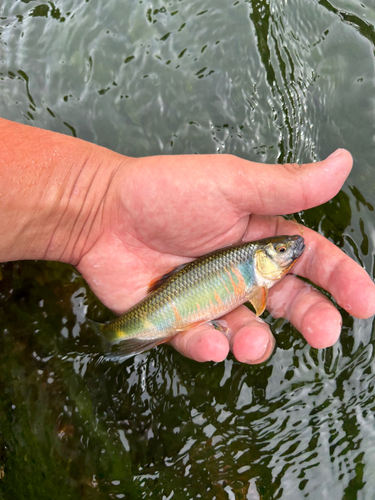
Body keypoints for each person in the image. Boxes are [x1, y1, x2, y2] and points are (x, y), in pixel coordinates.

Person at [1, 117, 374, 363]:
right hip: (171, 305)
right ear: (260, 258)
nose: (287, 251)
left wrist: (99, 201)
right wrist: (100, 203)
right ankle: (110, 336)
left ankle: (111, 337)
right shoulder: (256, 284)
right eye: (279, 250)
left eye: (282, 250)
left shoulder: (257, 282)